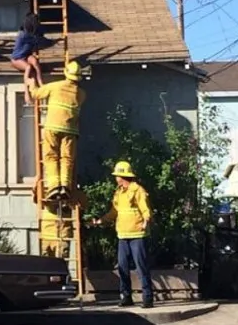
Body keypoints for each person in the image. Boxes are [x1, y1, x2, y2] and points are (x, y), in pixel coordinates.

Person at [92, 161, 154, 309]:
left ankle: (147, 298)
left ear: (123, 176)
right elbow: (115, 211)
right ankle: (126, 297)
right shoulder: (119, 192)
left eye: (117, 175)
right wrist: (102, 220)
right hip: (122, 235)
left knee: (141, 267)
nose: (116, 178)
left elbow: (145, 208)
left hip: (137, 234)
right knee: (123, 267)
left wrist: (146, 220)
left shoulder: (137, 190)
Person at [24, 60, 86, 201]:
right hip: (71, 130)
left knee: (51, 157)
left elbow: (36, 94)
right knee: (67, 159)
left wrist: (30, 83)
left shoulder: (55, 87)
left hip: (52, 127)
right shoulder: (81, 94)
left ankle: (53, 187)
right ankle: (65, 186)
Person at [12, 13, 44, 104]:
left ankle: (41, 82)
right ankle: (26, 92)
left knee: (35, 62)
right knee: (28, 67)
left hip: (26, 56)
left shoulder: (35, 34)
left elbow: (40, 40)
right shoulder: (23, 35)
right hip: (17, 58)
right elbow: (31, 40)